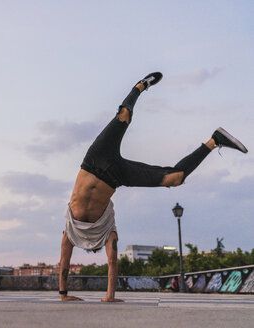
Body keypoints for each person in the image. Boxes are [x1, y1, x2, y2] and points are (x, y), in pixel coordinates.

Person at [59, 72, 247, 303]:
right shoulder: (107, 231)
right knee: (174, 178)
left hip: (94, 159)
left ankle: (139, 86)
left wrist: (63, 295)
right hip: (116, 175)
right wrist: (109, 297)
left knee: (124, 115)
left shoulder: (71, 229)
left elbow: (64, 261)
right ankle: (214, 141)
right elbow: (113, 261)